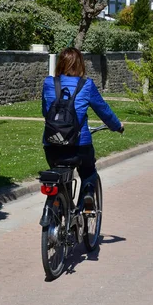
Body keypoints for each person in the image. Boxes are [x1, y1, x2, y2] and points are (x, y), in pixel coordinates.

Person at [41, 47, 123, 207]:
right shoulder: (86, 85)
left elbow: (46, 111)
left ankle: (60, 206)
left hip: (52, 144)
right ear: (80, 65)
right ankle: (87, 196)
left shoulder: (49, 83)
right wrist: (117, 125)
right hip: (80, 145)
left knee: (59, 177)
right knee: (88, 173)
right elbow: (103, 110)